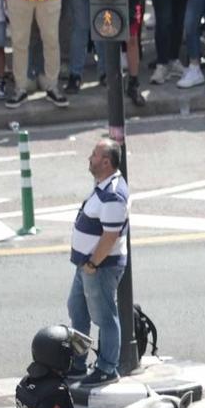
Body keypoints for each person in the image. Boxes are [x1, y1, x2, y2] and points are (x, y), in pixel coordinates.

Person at [66, 137, 132, 388]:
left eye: (93, 155)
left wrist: (93, 264)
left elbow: (110, 236)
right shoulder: (103, 186)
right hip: (87, 266)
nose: (89, 158)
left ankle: (107, 368)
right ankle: (78, 363)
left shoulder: (113, 195)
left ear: (105, 162)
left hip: (100, 267)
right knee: (78, 311)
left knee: (104, 317)